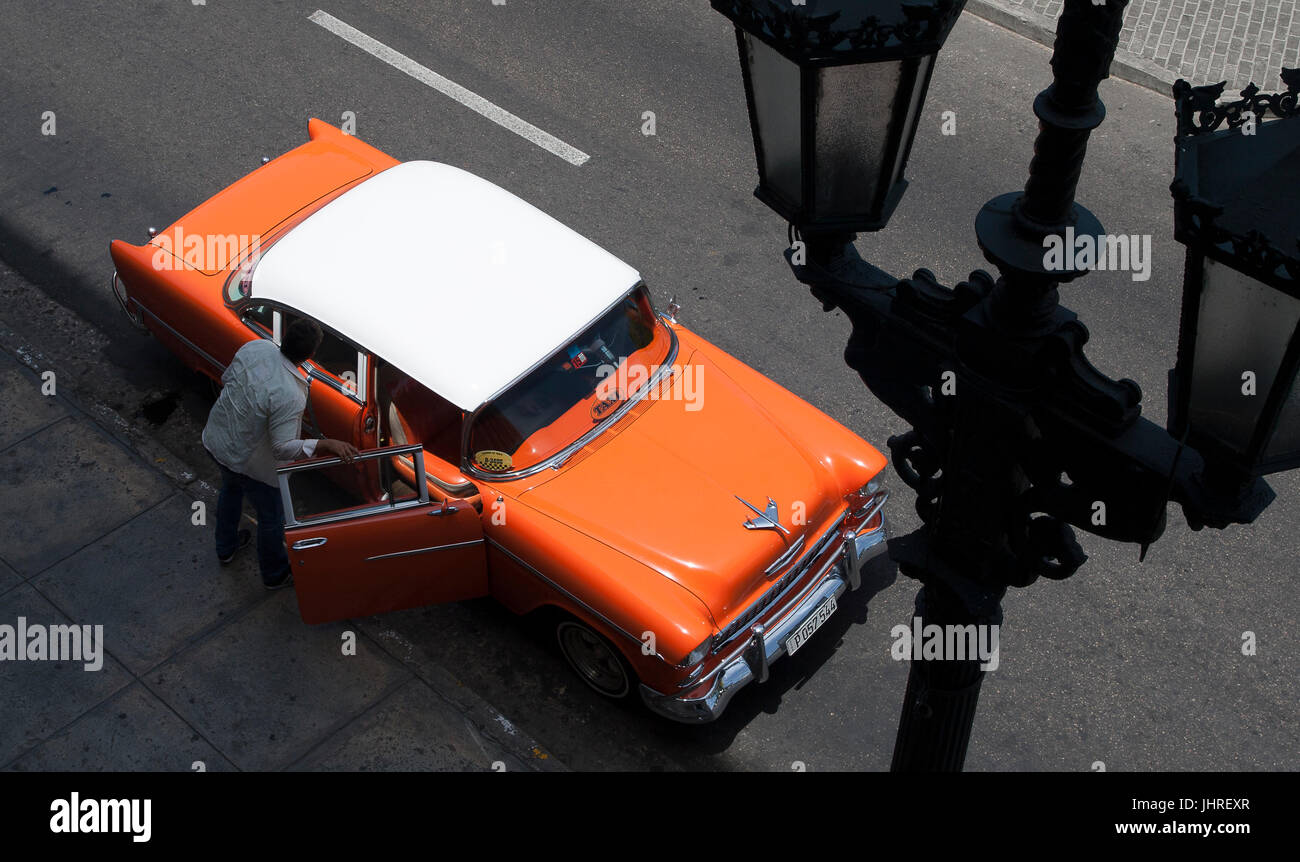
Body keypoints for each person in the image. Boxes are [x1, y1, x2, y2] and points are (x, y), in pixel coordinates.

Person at [202, 319, 358, 589]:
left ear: (285, 337)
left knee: (230, 490)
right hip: (249, 465)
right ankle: (274, 574)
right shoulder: (290, 393)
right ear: (310, 355)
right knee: (271, 519)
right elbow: (282, 447)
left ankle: (225, 547)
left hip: (218, 441)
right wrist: (325, 444)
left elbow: (228, 379)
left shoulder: (256, 349)